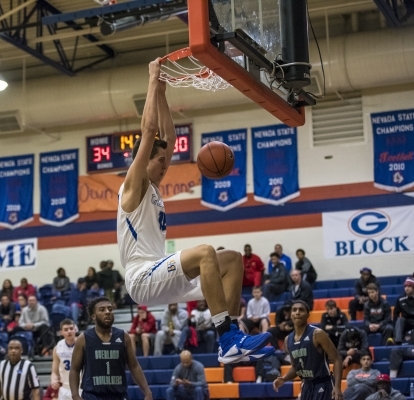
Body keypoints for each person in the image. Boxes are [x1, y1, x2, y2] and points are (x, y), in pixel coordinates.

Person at [116, 60, 273, 364]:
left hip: (158, 273)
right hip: (140, 276)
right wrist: (151, 79)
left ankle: (233, 337)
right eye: (159, 160)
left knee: (231, 260)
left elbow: (169, 138)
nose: (165, 165)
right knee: (205, 252)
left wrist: (161, 90)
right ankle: (226, 338)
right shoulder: (134, 184)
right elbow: (149, 129)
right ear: (142, 159)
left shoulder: (152, 187)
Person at [69, 297, 152, 400]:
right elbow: (74, 369)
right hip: (92, 396)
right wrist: (75, 395)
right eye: (102, 309)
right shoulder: (84, 338)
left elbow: (134, 366)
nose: (107, 312)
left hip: (118, 395)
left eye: (110, 309)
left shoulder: (123, 336)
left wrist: (147, 392)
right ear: (93, 316)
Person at [273, 300, 343, 400]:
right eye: (294, 310)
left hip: (324, 384)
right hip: (306, 386)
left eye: (301, 310)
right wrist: (284, 379)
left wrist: (337, 387)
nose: (297, 312)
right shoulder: (288, 340)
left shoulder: (317, 334)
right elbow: (295, 368)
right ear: (291, 314)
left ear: (308, 314)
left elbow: (337, 359)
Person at [51, 319, 78, 400]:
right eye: (66, 330)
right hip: (64, 388)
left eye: (71, 328)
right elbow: (54, 372)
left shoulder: (83, 345)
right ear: (61, 332)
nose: (69, 331)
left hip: (80, 387)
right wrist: (54, 380)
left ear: (75, 330)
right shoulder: (57, 348)